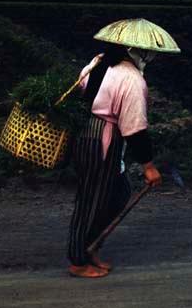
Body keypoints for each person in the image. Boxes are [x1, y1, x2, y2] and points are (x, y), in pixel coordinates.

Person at [67, 18, 180, 278]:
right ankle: (78, 260)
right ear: (138, 52)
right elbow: (135, 128)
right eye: (148, 53)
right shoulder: (131, 80)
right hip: (101, 140)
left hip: (86, 134)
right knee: (92, 201)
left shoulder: (98, 62)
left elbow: (81, 91)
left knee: (118, 193)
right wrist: (149, 167)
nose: (150, 57)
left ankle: (91, 247)